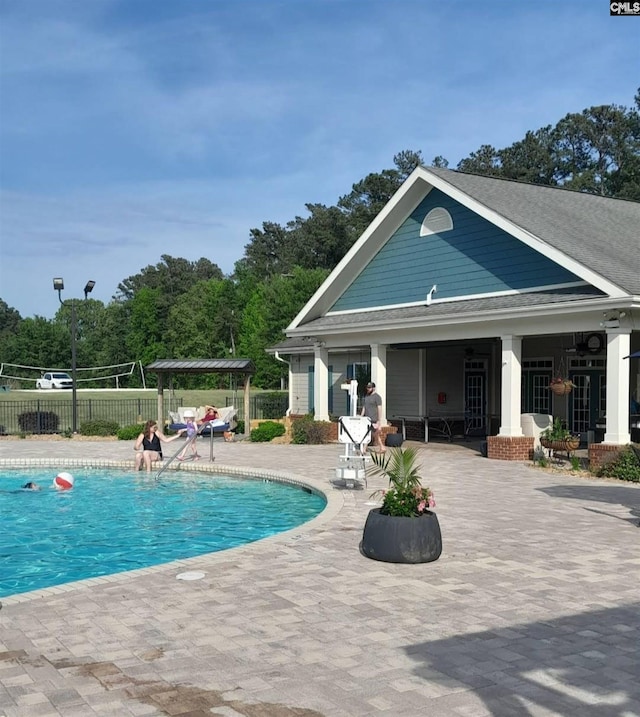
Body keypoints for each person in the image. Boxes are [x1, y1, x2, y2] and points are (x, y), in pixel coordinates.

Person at [360, 381, 386, 453]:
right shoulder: (366, 397)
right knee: (372, 434)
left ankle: (364, 450)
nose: (368, 389)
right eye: (367, 387)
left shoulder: (377, 397)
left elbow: (379, 408)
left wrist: (379, 420)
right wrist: (361, 416)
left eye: (369, 387)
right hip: (367, 419)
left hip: (374, 419)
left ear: (373, 388)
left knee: (370, 433)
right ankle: (382, 447)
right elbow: (364, 407)